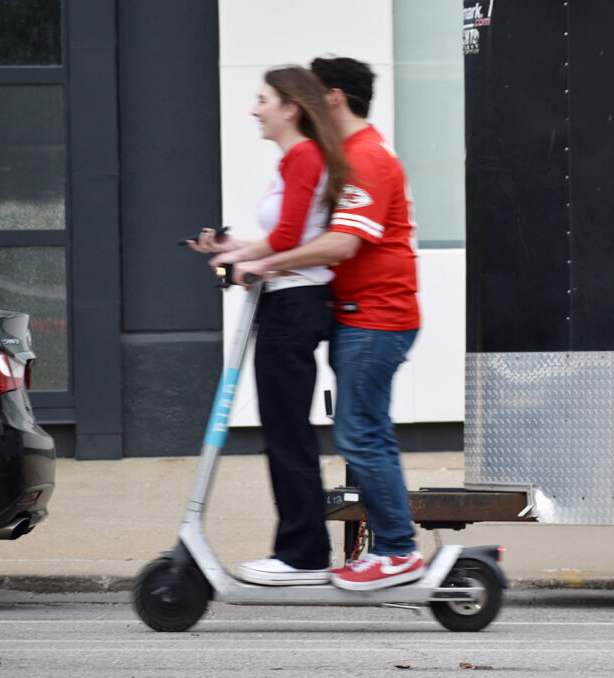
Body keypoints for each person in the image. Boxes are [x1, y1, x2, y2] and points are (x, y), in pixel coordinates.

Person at [215, 56, 422, 591]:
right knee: (359, 431)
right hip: (356, 314)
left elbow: (341, 244)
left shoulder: (366, 157)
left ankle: (397, 551)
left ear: (332, 98)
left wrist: (264, 264)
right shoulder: (345, 155)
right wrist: (247, 251)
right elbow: (308, 236)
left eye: (311, 92)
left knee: (361, 433)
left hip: (377, 317)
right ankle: (389, 550)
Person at [190, 66, 348, 586]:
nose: (254, 109)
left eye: (262, 100)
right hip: (287, 300)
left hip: (295, 303)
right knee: (284, 430)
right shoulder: (293, 159)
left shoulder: (303, 156)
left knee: (287, 432)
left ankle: (303, 554)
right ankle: (300, 549)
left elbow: (286, 238)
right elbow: (285, 236)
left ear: (290, 108)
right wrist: (231, 249)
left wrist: (244, 261)